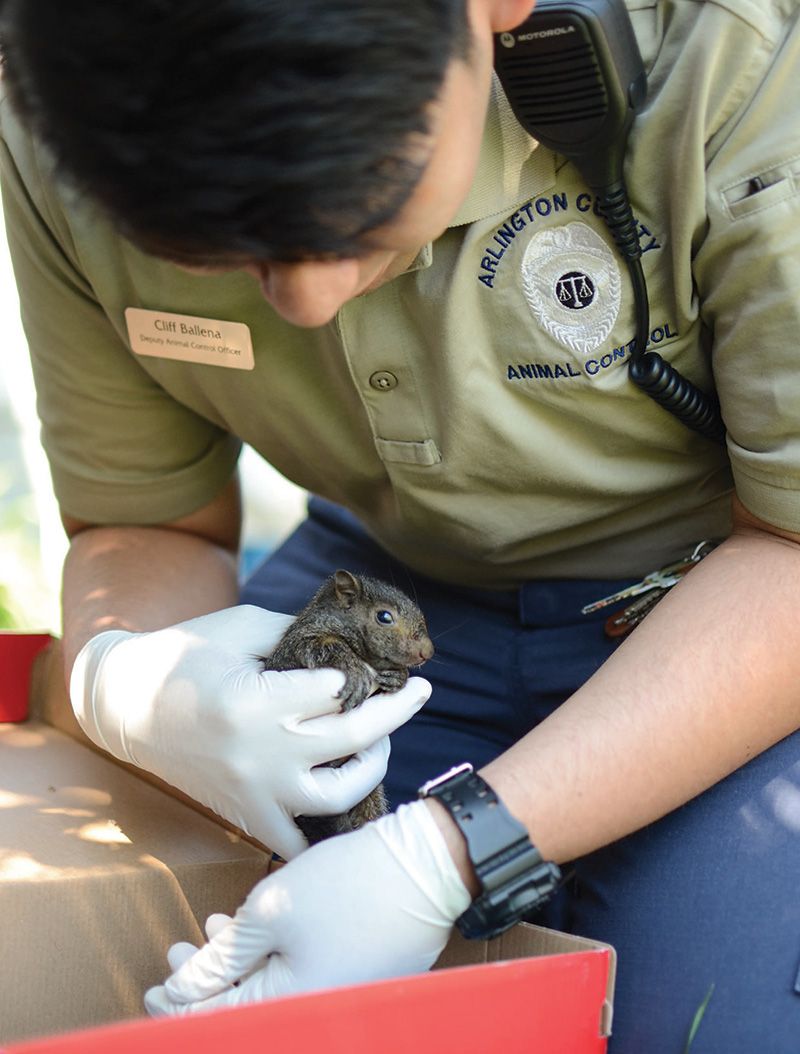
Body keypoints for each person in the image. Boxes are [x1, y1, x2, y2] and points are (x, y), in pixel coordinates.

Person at [1, 0, 799, 1048]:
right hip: (394, 584)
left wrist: (448, 853)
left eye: (360, 206)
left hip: (736, 602)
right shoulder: (65, 108)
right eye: (217, 249)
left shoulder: (738, 56)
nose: (306, 299)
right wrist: (143, 684)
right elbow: (150, 523)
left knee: (696, 1024)